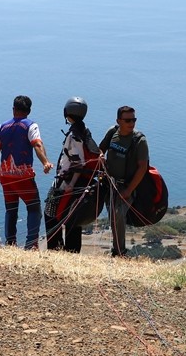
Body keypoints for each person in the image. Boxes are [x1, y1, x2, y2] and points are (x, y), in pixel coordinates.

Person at [0, 95, 53, 249]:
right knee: (34, 208)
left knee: (11, 209)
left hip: (6, 176)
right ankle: (31, 244)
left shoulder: (2, 127)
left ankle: (10, 243)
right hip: (23, 176)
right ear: (29, 111)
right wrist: (45, 162)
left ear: (13, 109)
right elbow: (37, 145)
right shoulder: (31, 126)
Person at [45, 96, 102, 253]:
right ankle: (72, 252)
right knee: (73, 219)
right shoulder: (85, 132)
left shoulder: (74, 136)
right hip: (82, 182)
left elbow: (78, 162)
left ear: (67, 113)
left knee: (50, 214)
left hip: (68, 183)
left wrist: (70, 185)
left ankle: (55, 249)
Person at [99, 105, 149, 258]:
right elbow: (101, 149)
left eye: (133, 119)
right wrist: (101, 157)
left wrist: (128, 191)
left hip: (127, 186)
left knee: (117, 214)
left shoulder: (139, 140)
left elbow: (142, 168)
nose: (131, 123)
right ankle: (118, 250)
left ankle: (120, 252)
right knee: (112, 216)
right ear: (118, 121)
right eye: (127, 120)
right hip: (109, 183)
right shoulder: (112, 132)